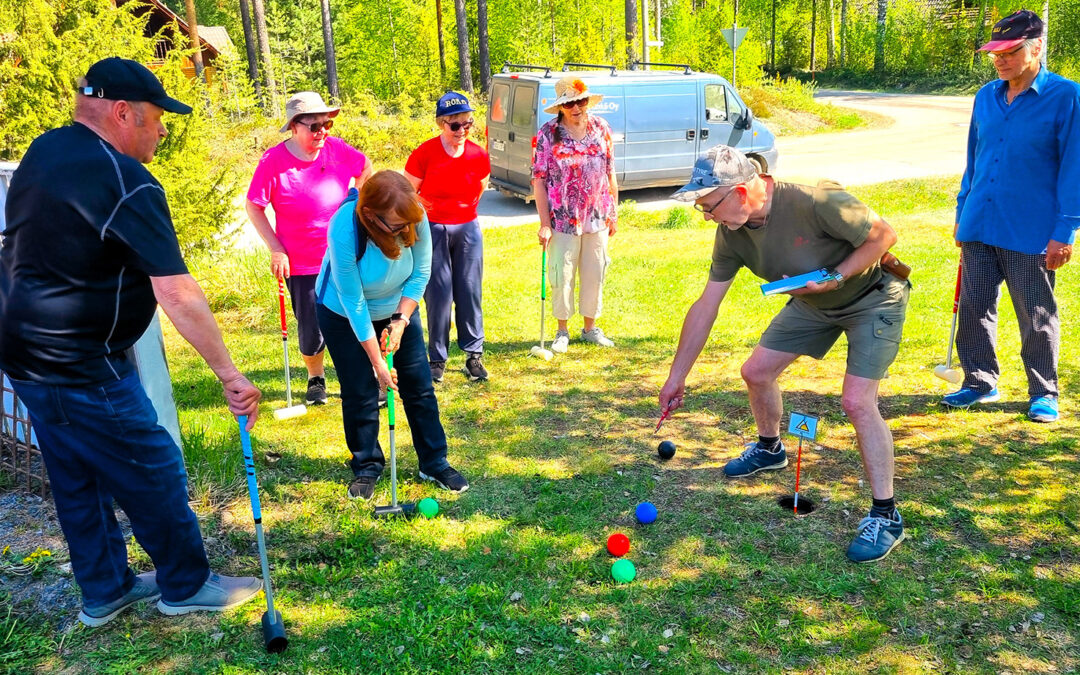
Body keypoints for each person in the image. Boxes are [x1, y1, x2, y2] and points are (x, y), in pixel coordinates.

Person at [0, 58, 263, 626]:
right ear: (123, 113)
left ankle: (106, 588)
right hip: (80, 362)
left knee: (76, 473)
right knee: (154, 468)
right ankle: (186, 584)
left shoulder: (44, 152)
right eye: (157, 117)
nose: (163, 129)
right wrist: (228, 374)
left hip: (23, 354)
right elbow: (175, 290)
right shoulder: (126, 180)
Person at [659, 146, 911, 564]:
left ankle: (886, 515)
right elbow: (707, 304)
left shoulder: (817, 201)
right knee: (756, 372)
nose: (707, 217)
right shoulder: (733, 233)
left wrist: (836, 277)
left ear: (740, 193)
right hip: (812, 305)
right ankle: (770, 448)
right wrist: (676, 376)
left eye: (708, 206)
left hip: (873, 298)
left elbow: (883, 236)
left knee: (856, 401)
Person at [946, 9, 1080, 423]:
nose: (1000, 60)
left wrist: (1066, 230)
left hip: (1031, 230)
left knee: (1036, 314)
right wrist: (961, 208)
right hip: (979, 223)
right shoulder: (986, 96)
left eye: (1009, 51)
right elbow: (974, 158)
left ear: (1036, 47)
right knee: (974, 306)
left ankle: (1044, 392)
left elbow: (1074, 168)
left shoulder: (1067, 96)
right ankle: (979, 380)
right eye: (994, 54)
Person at [315, 170, 469, 500]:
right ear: (371, 216)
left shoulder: (413, 215)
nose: (405, 231)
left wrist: (400, 321)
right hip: (343, 313)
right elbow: (353, 301)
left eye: (408, 224)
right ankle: (366, 465)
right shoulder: (345, 227)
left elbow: (421, 271)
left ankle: (434, 461)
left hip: (398, 307)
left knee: (419, 385)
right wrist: (378, 364)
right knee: (360, 390)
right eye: (396, 227)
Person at [247, 92, 372, 405]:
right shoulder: (273, 162)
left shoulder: (337, 149)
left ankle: (360, 375)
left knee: (354, 313)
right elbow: (254, 206)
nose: (323, 131)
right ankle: (316, 378)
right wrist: (276, 248)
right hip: (301, 261)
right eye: (314, 125)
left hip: (343, 252)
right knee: (311, 324)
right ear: (294, 126)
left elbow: (365, 166)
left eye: (326, 123)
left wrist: (355, 198)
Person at [404, 92, 491, 383]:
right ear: (442, 123)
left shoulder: (478, 153)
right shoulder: (425, 153)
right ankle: (437, 359)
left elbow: (480, 187)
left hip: (467, 228)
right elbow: (407, 191)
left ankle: (473, 355)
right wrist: (423, 206)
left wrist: (461, 212)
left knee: (469, 290)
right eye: (455, 125)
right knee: (438, 294)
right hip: (433, 230)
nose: (462, 131)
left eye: (468, 124)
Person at [532, 76, 618, 352]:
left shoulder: (602, 128)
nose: (576, 107)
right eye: (569, 103)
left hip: (597, 216)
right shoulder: (549, 133)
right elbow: (539, 180)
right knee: (562, 274)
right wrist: (545, 223)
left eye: (580, 101)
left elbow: (610, 172)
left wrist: (613, 212)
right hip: (562, 219)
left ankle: (590, 328)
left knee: (595, 271)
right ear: (561, 107)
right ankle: (562, 331)